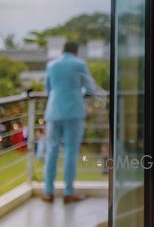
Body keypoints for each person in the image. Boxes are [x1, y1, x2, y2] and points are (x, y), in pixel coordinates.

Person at [42, 41, 95, 203]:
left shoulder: (51, 65)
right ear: (76, 51)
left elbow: (48, 90)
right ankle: (68, 192)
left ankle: (48, 192)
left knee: (51, 151)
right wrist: (79, 94)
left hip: (53, 112)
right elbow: (90, 90)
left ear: (62, 50)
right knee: (71, 152)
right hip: (73, 112)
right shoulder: (80, 64)